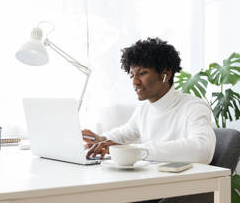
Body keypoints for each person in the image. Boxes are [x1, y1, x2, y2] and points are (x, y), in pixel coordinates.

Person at [82, 38, 216, 164]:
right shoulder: (145, 109)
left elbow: (203, 150)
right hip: (151, 181)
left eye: (142, 73)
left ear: (166, 74)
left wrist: (137, 151)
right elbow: (124, 133)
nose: (135, 82)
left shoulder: (193, 107)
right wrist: (101, 139)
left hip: (181, 185)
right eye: (132, 75)